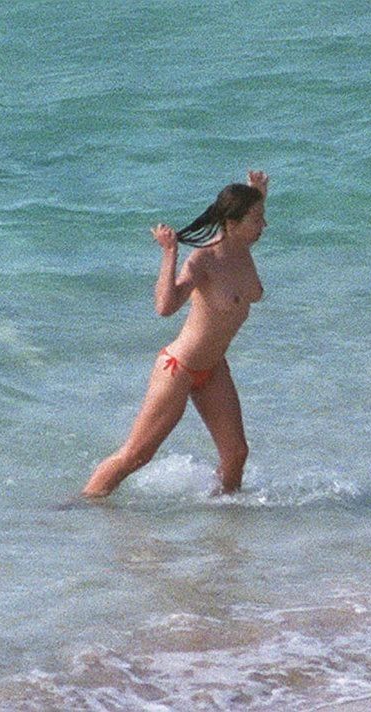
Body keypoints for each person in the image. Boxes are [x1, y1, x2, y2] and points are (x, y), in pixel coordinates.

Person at [81, 170, 270, 498]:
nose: (264, 225)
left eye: (262, 217)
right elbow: (165, 307)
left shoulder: (242, 247)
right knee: (137, 455)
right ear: (232, 223)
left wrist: (256, 193)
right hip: (178, 369)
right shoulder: (204, 260)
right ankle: (82, 504)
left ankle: (228, 516)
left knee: (236, 454)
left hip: (213, 368)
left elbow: (245, 214)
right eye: (256, 220)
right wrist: (170, 253)